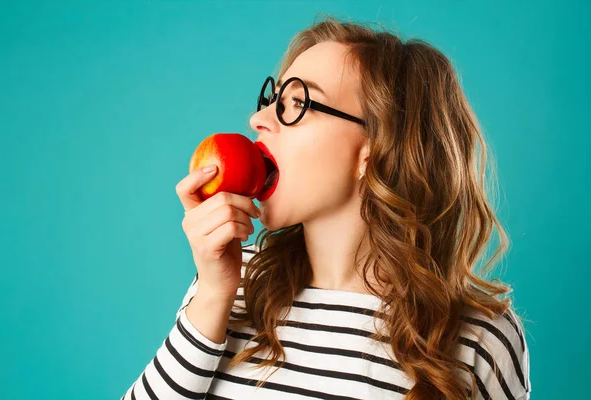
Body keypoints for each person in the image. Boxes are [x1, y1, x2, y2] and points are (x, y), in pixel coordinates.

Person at [121, 15, 531, 400]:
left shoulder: (480, 340)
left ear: (374, 151)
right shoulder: (233, 285)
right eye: (273, 98)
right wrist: (212, 295)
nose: (258, 118)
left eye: (296, 103)